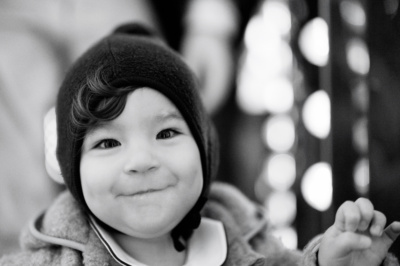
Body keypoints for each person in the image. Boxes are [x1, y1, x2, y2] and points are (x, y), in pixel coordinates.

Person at [1, 23, 399, 266]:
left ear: (205, 149)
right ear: (71, 170)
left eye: (167, 133)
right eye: (107, 143)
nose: (141, 160)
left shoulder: (245, 237)